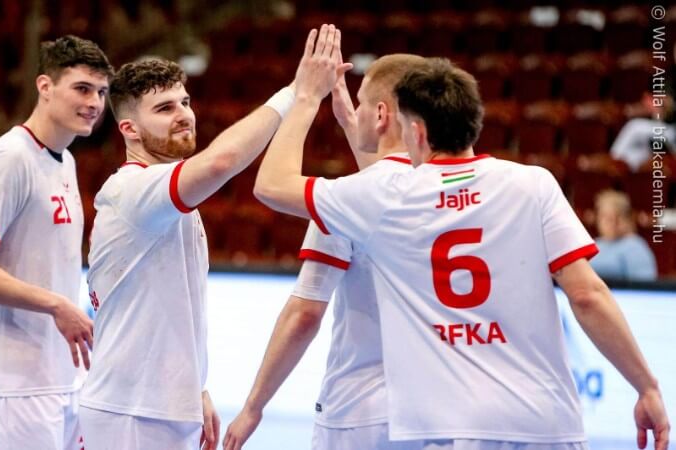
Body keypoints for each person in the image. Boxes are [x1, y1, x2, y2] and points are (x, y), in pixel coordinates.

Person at [254, 25, 669, 450]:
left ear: (416, 131)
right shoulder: (534, 183)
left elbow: (272, 185)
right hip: (548, 421)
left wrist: (306, 97)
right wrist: (646, 386)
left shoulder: (387, 196)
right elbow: (587, 296)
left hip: (460, 424)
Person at [77, 57, 298, 450]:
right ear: (129, 129)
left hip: (160, 407)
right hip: (129, 412)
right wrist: (296, 93)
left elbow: (169, 308)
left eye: (185, 102)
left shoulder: (164, 196)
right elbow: (223, 161)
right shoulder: (133, 190)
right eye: (165, 108)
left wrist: (194, 386)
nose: (183, 115)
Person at [223, 53, 426, 450]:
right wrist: (351, 122)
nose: (356, 110)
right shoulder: (460, 193)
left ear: (381, 114)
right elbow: (386, 185)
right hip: (444, 409)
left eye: (362, 103)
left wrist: (253, 406)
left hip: (360, 413)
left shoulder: (343, 201)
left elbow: (304, 315)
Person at [0, 35, 112, 450]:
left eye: (101, 92)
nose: (94, 102)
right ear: (45, 86)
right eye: (82, 88)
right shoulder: (11, 158)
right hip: (18, 379)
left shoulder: (66, 160)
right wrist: (56, 304)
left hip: (62, 371)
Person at [590, 189, 658, 281]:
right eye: (605, 216)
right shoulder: (593, 244)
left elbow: (644, 285)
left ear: (626, 219)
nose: (611, 223)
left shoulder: (635, 246)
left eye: (616, 216)